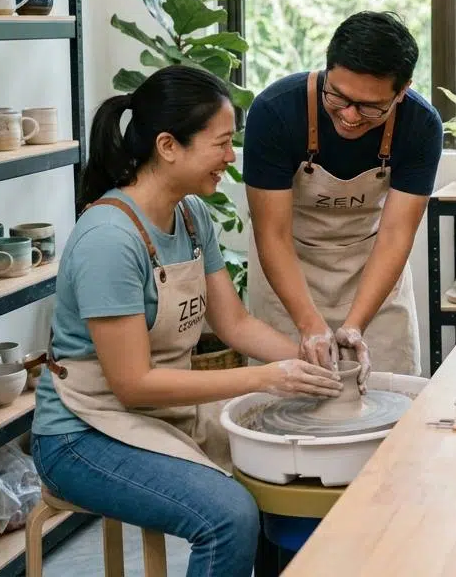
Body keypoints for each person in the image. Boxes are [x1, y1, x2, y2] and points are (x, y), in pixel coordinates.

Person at [31, 66, 342, 577]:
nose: (230, 157)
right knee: (227, 514)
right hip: (80, 433)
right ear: (168, 145)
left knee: (284, 475)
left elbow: (236, 324)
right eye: (220, 143)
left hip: (156, 414)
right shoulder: (109, 239)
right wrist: (267, 378)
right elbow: (133, 385)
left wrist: (315, 357)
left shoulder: (193, 215)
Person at [244, 11, 443, 383]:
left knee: (389, 396)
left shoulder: (421, 126)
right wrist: (308, 323)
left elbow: (396, 235)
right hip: (289, 272)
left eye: (370, 106)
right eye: (338, 97)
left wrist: (355, 324)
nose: (350, 116)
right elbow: (271, 234)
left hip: (369, 270)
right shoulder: (275, 112)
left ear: (402, 91)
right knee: (287, 403)